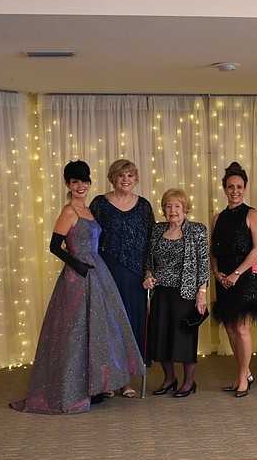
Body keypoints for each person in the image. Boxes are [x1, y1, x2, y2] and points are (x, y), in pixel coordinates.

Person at [11, 160, 144, 414]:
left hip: (98, 273)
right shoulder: (69, 211)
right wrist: (77, 265)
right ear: (68, 185)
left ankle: (94, 385)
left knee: (98, 332)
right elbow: (53, 246)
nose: (80, 186)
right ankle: (73, 389)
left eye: (84, 181)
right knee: (75, 333)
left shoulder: (89, 210)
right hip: (78, 277)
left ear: (89, 183)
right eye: (75, 182)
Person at [90, 159, 154, 398]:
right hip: (107, 272)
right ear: (112, 178)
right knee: (107, 325)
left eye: (130, 175)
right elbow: (90, 236)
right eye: (120, 175)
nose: (125, 179)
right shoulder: (100, 203)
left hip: (135, 275)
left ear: (136, 179)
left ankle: (126, 381)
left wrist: (149, 271)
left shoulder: (144, 206)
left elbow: (150, 242)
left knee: (130, 325)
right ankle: (107, 380)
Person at [143, 188, 209, 398]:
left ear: (186, 209)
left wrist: (202, 291)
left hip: (186, 293)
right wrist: (148, 275)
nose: (173, 210)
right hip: (161, 291)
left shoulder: (197, 230)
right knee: (161, 335)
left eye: (177, 206)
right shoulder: (157, 230)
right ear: (163, 210)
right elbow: (149, 260)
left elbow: (203, 263)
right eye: (168, 206)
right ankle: (169, 378)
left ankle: (189, 381)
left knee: (184, 338)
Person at [210, 162, 257, 398]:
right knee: (231, 328)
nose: (235, 191)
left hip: (246, 277)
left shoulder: (252, 214)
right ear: (224, 188)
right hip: (223, 277)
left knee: (242, 327)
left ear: (245, 189)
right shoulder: (217, 218)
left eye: (239, 187)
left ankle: (244, 375)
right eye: (231, 187)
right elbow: (212, 251)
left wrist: (235, 274)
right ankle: (242, 372)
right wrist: (217, 274)